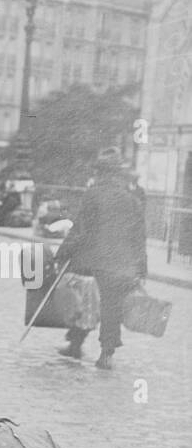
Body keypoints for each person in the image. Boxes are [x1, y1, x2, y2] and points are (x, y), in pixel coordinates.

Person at [53, 148, 148, 370]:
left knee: (86, 302)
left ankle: (75, 344)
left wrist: (63, 252)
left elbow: (80, 230)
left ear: (101, 172)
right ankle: (106, 354)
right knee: (111, 307)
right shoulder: (132, 199)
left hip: (97, 260)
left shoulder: (93, 194)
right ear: (118, 174)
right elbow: (139, 237)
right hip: (123, 265)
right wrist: (141, 268)